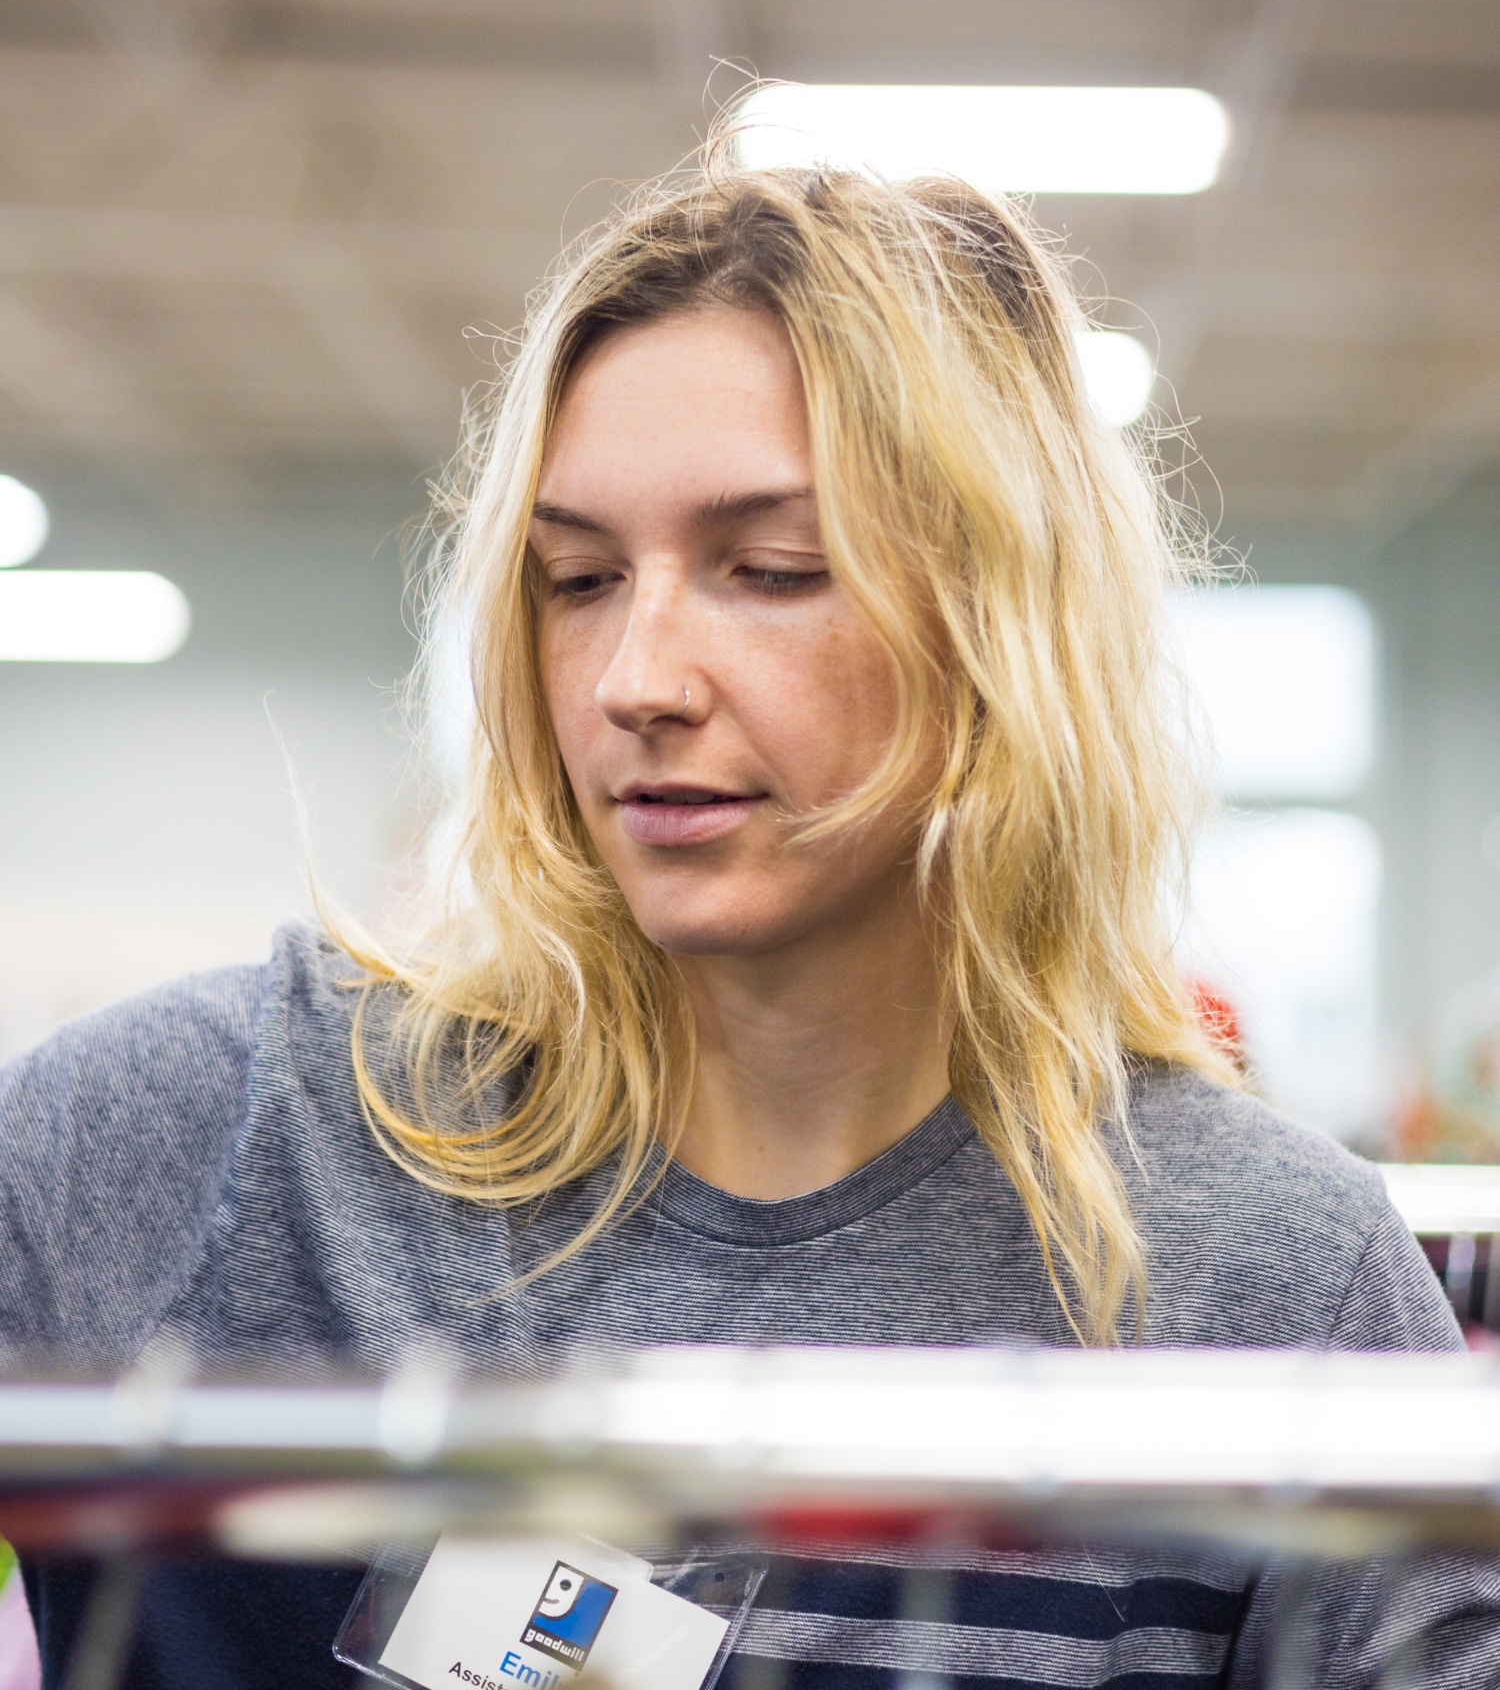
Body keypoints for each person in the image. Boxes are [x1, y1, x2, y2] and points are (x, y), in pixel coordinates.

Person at [2, 132, 1497, 1690]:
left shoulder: (1259, 1283)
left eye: (769, 570)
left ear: (1003, 620)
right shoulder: (236, 1142)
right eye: (579, 581)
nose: (637, 681)